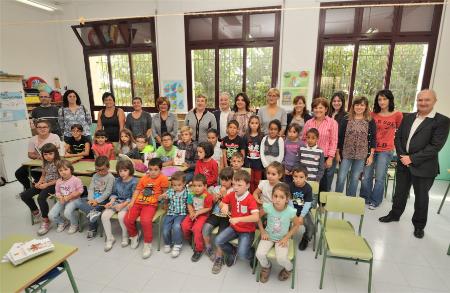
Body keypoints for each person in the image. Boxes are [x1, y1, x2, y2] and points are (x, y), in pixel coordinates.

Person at [379, 89, 450, 239]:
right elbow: (398, 137)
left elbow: (435, 146)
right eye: (420, 100)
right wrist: (402, 156)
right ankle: (395, 214)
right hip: (403, 163)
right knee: (400, 193)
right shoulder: (408, 117)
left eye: (427, 100)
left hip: (424, 167)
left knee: (421, 198)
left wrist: (411, 158)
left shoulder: (442, 121)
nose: (423, 103)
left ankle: (419, 226)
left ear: (434, 101)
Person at [360, 90, 403, 209]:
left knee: (379, 177)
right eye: (379, 99)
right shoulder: (372, 114)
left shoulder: (397, 115)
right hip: (370, 150)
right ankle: (365, 197)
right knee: (367, 175)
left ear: (390, 100)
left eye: (384, 99)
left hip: (386, 151)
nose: (382, 102)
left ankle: (375, 200)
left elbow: (401, 132)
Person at [212, 170, 259, 274]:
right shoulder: (232, 194)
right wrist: (223, 206)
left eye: (239, 185)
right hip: (234, 228)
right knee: (218, 241)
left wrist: (238, 219)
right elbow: (222, 203)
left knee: (243, 255)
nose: (235, 187)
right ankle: (232, 251)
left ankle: (252, 254)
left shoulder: (250, 199)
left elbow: (256, 217)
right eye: (234, 184)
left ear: (247, 185)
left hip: (247, 231)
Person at [256, 182, 300, 283]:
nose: (277, 199)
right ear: (272, 197)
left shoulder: (290, 211)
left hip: (282, 238)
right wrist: (262, 231)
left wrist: (287, 237)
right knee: (259, 254)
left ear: (287, 198)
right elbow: (257, 217)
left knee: (281, 259)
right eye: (275, 196)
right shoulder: (268, 207)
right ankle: (266, 266)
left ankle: (289, 269)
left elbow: (297, 225)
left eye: (281, 197)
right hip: (268, 236)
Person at [125, 158, 169, 258]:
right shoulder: (144, 178)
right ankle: (134, 235)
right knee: (127, 219)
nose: (152, 172)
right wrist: (132, 202)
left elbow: (165, 192)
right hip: (138, 203)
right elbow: (137, 190)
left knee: (145, 221)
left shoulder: (163, 178)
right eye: (150, 169)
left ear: (160, 170)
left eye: (156, 169)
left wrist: (165, 204)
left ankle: (147, 244)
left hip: (150, 205)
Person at [335, 97, 376, 197]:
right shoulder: (346, 119)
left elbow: (373, 139)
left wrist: (371, 156)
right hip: (346, 154)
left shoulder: (370, 121)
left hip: (361, 155)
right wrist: (337, 153)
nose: (359, 107)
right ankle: (336, 198)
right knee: (341, 177)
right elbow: (340, 137)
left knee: (354, 178)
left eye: (362, 105)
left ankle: (350, 198)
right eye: (357, 105)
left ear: (366, 107)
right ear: (353, 106)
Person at [20, 143, 60, 236]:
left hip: (55, 185)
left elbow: (60, 179)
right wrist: (39, 182)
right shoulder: (45, 163)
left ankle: (46, 220)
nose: (48, 156)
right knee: (24, 195)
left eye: (50, 154)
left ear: (55, 153)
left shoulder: (58, 163)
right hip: (45, 183)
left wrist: (46, 184)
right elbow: (43, 175)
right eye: (45, 154)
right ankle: (36, 211)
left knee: (41, 198)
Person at [302, 97, 338, 192]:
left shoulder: (332, 123)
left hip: (324, 157)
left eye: (321, 107)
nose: (318, 110)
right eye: (315, 108)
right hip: (309, 156)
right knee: (308, 179)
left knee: (321, 181)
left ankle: (321, 204)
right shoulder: (308, 122)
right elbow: (303, 139)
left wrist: (330, 158)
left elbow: (334, 141)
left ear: (326, 109)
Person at [101, 160, 138, 252]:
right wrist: (111, 201)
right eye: (120, 171)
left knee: (122, 216)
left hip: (128, 203)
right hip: (117, 202)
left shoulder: (134, 181)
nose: (122, 173)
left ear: (130, 170)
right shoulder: (117, 180)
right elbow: (114, 193)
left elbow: (133, 197)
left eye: (125, 170)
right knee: (104, 216)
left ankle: (125, 236)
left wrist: (122, 205)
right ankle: (110, 238)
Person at [15, 119, 60, 189]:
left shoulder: (55, 137)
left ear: (49, 128)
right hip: (37, 162)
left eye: (45, 127)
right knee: (19, 173)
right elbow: (30, 154)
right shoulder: (32, 139)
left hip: (50, 162)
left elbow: (58, 152)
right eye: (39, 127)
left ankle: (44, 186)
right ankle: (29, 188)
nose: (42, 129)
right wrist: (38, 156)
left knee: (40, 174)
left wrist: (47, 157)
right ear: (36, 129)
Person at [78, 156, 115, 240]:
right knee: (78, 202)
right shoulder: (95, 175)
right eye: (97, 170)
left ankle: (93, 228)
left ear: (108, 167)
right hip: (93, 198)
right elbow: (91, 188)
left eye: (102, 170)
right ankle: (93, 215)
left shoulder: (110, 177)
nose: (100, 172)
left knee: (93, 210)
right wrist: (91, 199)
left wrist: (96, 201)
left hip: (104, 200)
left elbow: (108, 193)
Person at [203, 167, 234, 260]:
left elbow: (232, 208)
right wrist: (213, 199)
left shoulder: (233, 191)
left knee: (220, 235)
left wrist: (224, 196)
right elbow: (210, 204)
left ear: (232, 180)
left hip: (226, 216)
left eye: (226, 180)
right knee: (206, 228)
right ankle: (208, 247)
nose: (223, 182)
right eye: (222, 179)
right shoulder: (216, 188)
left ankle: (219, 257)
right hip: (215, 213)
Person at [181, 174, 213, 262]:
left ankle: (199, 249)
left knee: (196, 229)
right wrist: (191, 212)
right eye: (194, 186)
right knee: (184, 226)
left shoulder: (207, 195)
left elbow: (208, 208)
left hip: (203, 215)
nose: (197, 188)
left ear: (205, 186)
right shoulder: (191, 194)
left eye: (199, 186)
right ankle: (190, 238)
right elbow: (189, 204)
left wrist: (198, 213)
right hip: (193, 213)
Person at [48, 160, 84, 234]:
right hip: (62, 200)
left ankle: (74, 224)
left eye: (66, 169)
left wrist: (70, 196)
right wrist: (60, 197)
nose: (63, 172)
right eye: (60, 170)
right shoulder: (58, 181)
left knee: (67, 212)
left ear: (71, 169)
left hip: (74, 200)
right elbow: (57, 192)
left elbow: (80, 191)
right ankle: (62, 222)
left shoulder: (76, 180)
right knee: (51, 215)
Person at [159, 171, 189, 258]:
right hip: (171, 213)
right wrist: (162, 197)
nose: (176, 187)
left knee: (176, 226)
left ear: (184, 184)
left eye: (179, 185)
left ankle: (177, 244)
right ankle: (168, 243)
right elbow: (164, 196)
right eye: (174, 185)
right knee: (165, 228)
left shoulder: (187, 191)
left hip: (181, 213)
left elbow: (192, 200)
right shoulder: (171, 191)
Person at [325, 91, 348, 191]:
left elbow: (342, 135)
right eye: (334, 101)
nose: (336, 103)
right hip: (325, 146)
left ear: (342, 102)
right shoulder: (327, 114)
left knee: (330, 172)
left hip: (337, 148)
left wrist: (337, 151)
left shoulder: (346, 116)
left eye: (339, 101)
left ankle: (327, 192)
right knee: (324, 171)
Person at [289, 165, 314, 251]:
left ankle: (306, 238)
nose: (298, 179)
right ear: (292, 176)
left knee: (311, 226)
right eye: (295, 176)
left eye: (301, 177)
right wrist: (294, 214)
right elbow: (290, 201)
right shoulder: (290, 186)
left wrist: (301, 216)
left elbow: (307, 204)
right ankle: (285, 236)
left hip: (304, 211)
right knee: (282, 220)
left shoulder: (308, 188)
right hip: (292, 210)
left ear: (306, 177)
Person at [243, 115, 264, 193]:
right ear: (249, 124)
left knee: (257, 181)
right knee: (250, 181)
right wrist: (244, 162)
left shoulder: (262, 136)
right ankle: (251, 196)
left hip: (258, 163)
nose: (254, 125)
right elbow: (244, 150)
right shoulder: (245, 136)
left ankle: (257, 195)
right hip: (248, 163)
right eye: (252, 123)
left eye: (256, 123)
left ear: (259, 124)